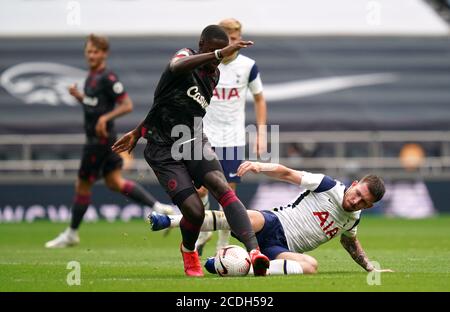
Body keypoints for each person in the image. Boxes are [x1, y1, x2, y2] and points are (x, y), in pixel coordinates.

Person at [111, 25, 270, 277]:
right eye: (213, 52)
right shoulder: (183, 57)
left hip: (193, 139)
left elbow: (168, 105)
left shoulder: (213, 76)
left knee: (222, 187)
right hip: (163, 150)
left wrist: (137, 130)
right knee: (195, 212)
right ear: (201, 45)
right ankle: (188, 250)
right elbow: (175, 70)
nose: (216, 59)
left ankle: (254, 252)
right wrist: (140, 133)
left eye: (221, 53)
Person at [150, 161, 394, 275]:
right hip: (275, 222)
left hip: (282, 248)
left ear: (370, 206)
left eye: (364, 202)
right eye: (358, 194)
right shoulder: (328, 186)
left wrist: (370, 267)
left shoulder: (354, 218)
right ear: (354, 184)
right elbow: (288, 173)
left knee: (310, 266)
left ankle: (234, 266)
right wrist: (260, 166)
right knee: (246, 217)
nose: (356, 201)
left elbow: (349, 241)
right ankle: (170, 221)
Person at [45, 34, 173, 249]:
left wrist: (105, 118)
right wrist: (81, 97)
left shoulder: (108, 77)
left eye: (96, 52)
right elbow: (96, 105)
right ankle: (158, 207)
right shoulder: (91, 78)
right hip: (102, 141)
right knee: (115, 182)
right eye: (89, 52)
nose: (91, 55)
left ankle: (72, 233)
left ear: (104, 54)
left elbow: (127, 105)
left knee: (82, 185)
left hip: (99, 142)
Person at [195, 18, 268, 255]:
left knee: (228, 193)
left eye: (237, 38)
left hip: (233, 137)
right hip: (204, 133)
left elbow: (259, 98)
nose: (234, 43)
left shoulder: (248, 66)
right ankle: (204, 230)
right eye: (230, 39)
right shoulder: (206, 63)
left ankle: (223, 244)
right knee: (201, 189)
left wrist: (261, 132)